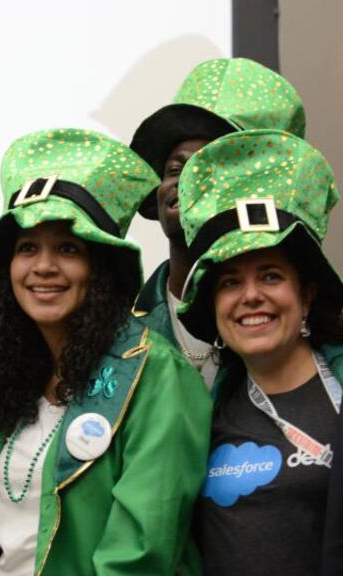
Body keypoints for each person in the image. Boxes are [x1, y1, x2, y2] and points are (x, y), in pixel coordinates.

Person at [0, 128, 212, 575]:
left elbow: (142, 551)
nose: (43, 266)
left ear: (100, 267)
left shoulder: (157, 372)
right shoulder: (15, 378)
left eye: (67, 248)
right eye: (27, 248)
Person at [174, 130, 343, 576]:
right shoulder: (201, 413)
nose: (250, 296)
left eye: (270, 276)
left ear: (306, 296)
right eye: (230, 282)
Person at [129, 58, 306, 389]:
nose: (188, 182)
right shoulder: (117, 333)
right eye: (176, 169)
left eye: (210, 168)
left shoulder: (323, 350)